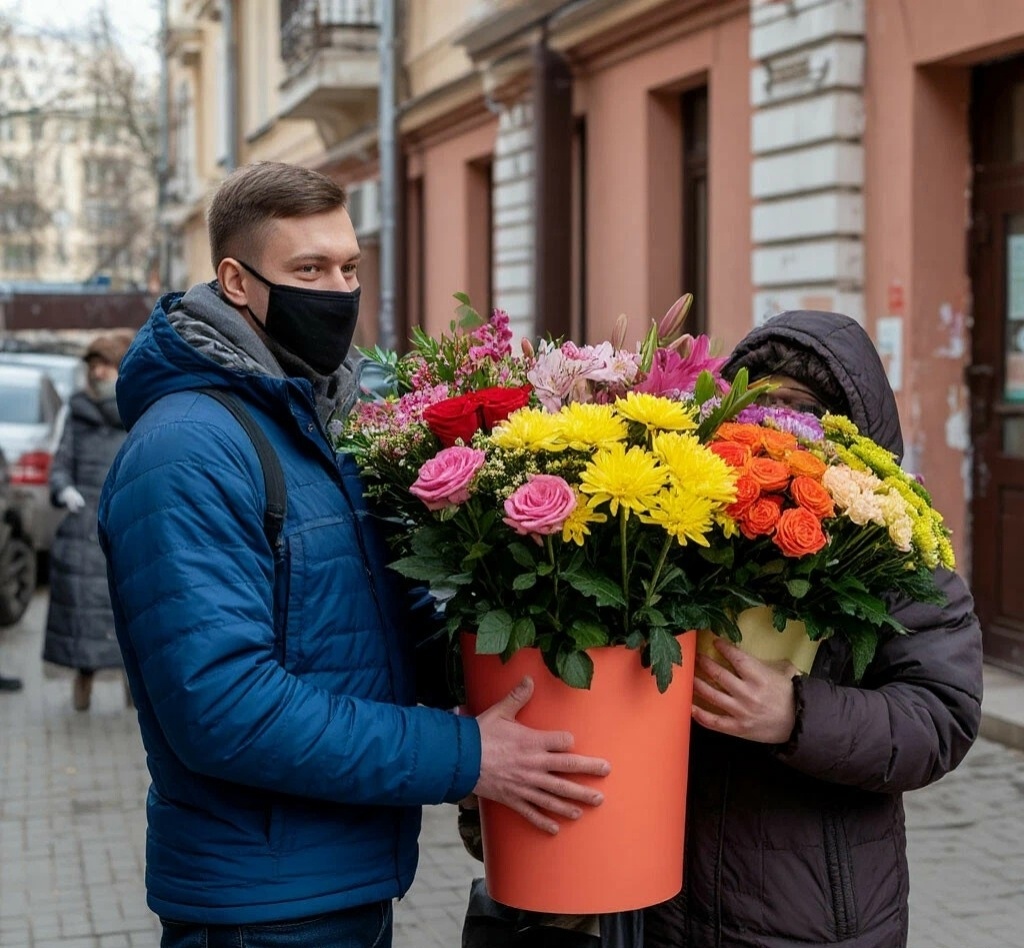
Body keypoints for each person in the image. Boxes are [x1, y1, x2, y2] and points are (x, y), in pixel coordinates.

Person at [98, 161, 609, 948]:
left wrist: (530, 653)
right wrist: (466, 754)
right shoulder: (187, 449)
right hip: (261, 908)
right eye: (308, 269)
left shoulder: (315, 421)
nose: (337, 291)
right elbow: (223, 707)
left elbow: (379, 621)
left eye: (349, 268)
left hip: (341, 881)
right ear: (236, 281)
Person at [644, 310, 984, 948]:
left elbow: (942, 718)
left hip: (816, 914)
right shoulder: (682, 527)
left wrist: (797, 714)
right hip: (665, 904)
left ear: (852, 428)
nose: (774, 422)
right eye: (757, 401)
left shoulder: (893, 552)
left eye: (799, 407)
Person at [43, 331, 133, 711]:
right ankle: (83, 688)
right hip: (83, 529)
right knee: (83, 614)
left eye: (105, 365)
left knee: (132, 615)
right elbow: (61, 462)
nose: (98, 373)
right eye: (93, 366)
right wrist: (63, 488)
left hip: (127, 526)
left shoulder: (139, 409)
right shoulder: (77, 411)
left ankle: (136, 698)